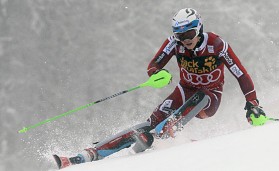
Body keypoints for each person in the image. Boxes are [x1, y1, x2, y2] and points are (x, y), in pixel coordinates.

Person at [53, 8, 266, 169]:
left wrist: (252, 103)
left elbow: (241, 73)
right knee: (148, 125)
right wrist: (157, 74)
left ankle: (163, 132)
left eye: (189, 34)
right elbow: (153, 65)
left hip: (210, 96)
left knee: (200, 97)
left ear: (199, 28)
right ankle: (89, 155)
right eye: (180, 36)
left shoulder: (217, 45)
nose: (186, 40)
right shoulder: (174, 44)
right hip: (184, 90)